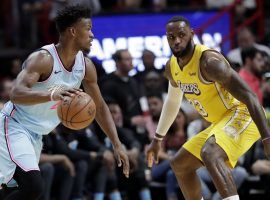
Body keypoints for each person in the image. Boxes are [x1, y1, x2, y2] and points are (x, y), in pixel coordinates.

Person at [0, 5, 129, 200]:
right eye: (88, 28)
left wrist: (116, 143)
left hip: (37, 135)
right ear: (73, 31)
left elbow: (100, 107)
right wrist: (52, 94)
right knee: (33, 186)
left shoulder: (85, 66)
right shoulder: (43, 59)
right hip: (14, 126)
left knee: (15, 188)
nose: (92, 35)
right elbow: (15, 93)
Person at [146, 16, 270, 200]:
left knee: (210, 153)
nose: (177, 41)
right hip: (220, 122)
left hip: (243, 114)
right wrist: (157, 138)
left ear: (192, 34)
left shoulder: (210, 62)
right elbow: (173, 102)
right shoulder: (172, 67)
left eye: (181, 35)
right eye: (171, 37)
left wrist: (267, 138)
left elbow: (251, 97)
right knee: (180, 164)